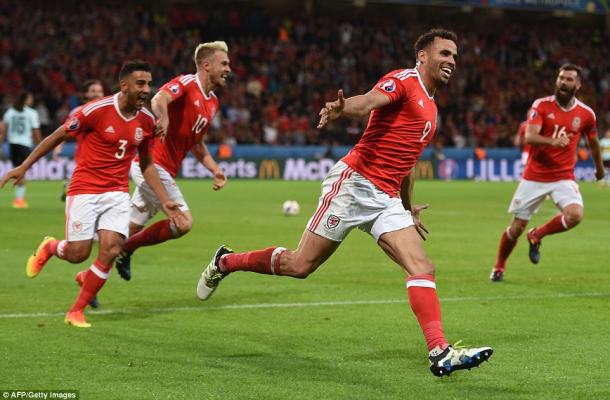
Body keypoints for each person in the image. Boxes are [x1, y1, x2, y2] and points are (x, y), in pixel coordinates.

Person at [196, 29, 492, 377]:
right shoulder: (404, 80)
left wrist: (408, 207)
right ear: (423, 56)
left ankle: (439, 352)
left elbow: (407, 162)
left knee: (422, 267)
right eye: (444, 54)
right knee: (299, 265)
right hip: (354, 186)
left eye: (455, 56)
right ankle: (227, 262)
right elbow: (367, 101)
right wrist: (341, 108)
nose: (451, 61)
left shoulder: (431, 107)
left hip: (385, 198)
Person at [0, 60, 184, 328]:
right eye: (140, 83)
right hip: (85, 190)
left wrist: (165, 200)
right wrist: (24, 166)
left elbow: (146, 164)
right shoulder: (95, 111)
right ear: (124, 85)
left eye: (149, 84)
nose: (146, 89)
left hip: (117, 192)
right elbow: (57, 136)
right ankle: (51, 247)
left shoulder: (146, 121)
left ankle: (76, 311)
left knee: (111, 249)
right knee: (78, 254)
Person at [114, 41, 229, 281]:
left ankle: (89, 274)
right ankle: (123, 249)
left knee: (127, 231)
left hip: (165, 170)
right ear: (206, 65)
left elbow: (197, 144)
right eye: (224, 63)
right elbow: (159, 99)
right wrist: (163, 118)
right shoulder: (187, 84)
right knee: (183, 222)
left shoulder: (213, 102)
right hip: (152, 165)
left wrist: (215, 169)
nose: (229, 69)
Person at [490, 64, 605, 282]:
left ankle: (537, 235)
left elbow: (593, 142)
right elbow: (530, 137)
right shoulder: (541, 105)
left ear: (578, 85)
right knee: (516, 229)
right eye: (561, 78)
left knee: (575, 215)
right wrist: (554, 141)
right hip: (534, 176)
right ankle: (499, 267)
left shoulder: (586, 114)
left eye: (569, 79)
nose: (563, 82)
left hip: (563, 176)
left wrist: (599, 168)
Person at [54, 79, 105, 202]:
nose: (97, 94)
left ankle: (69, 185)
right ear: (85, 94)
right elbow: (65, 132)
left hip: (104, 156)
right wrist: (57, 148)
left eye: (100, 91)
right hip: (84, 156)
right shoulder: (78, 111)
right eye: (93, 91)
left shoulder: (109, 111)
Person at [0, 92, 42, 208]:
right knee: (22, 172)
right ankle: (19, 200)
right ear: (26, 99)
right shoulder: (31, 113)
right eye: (30, 98)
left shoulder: (10, 112)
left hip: (12, 144)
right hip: (24, 144)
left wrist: (1, 145)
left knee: (19, 171)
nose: (32, 101)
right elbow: (36, 131)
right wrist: (41, 145)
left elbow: (3, 130)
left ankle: (19, 198)